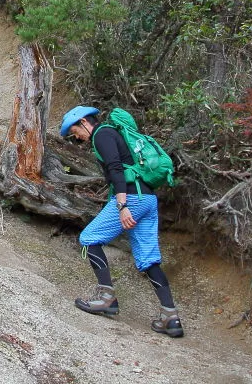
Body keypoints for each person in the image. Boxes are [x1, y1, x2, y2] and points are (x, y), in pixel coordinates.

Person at [60, 105, 184, 338]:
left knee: (88, 239)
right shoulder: (113, 133)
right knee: (148, 259)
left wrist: (122, 206)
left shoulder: (102, 135)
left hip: (132, 199)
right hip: (147, 198)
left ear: (84, 122)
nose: (76, 137)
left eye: (75, 130)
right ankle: (170, 316)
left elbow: (116, 168)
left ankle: (106, 298)